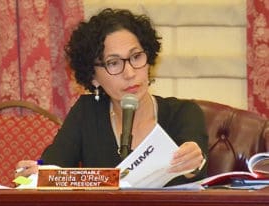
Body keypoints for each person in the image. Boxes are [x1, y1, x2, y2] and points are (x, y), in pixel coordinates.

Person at [15, 8, 208, 186]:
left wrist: (192, 162)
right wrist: (37, 171)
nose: (130, 73)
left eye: (136, 57)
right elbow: (52, 165)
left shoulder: (183, 113)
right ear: (93, 77)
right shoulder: (86, 112)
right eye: (113, 63)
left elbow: (198, 170)